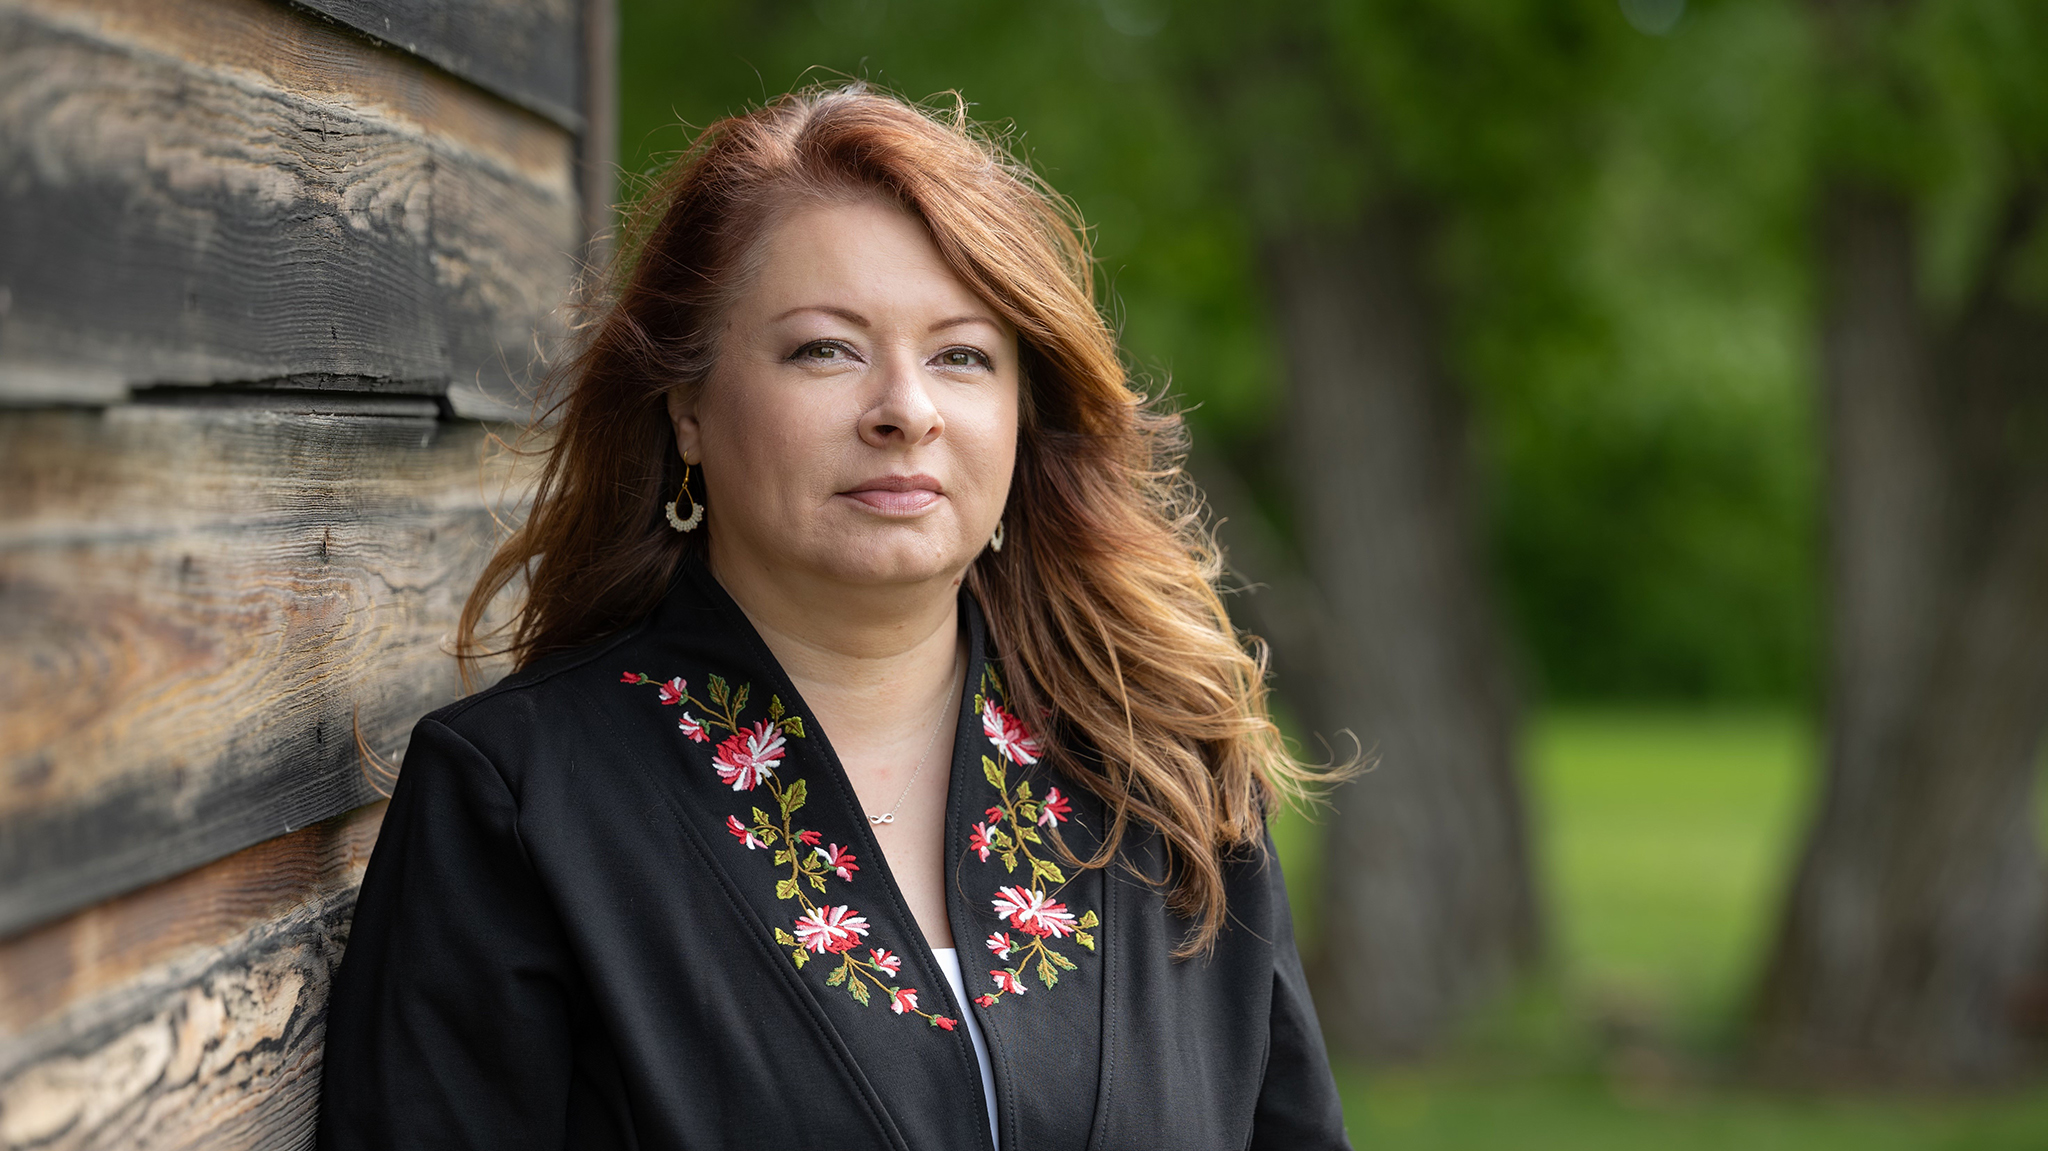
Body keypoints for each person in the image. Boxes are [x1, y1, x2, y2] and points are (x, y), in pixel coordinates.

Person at [318, 84, 1350, 1150]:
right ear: (687, 411)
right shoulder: (521, 804)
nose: (906, 407)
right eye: (825, 348)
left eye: (961, 354)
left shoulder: (1158, 779)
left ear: (1019, 415)